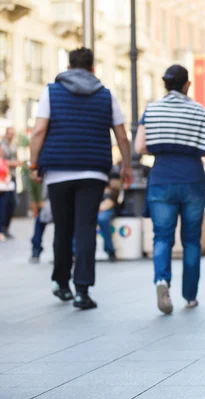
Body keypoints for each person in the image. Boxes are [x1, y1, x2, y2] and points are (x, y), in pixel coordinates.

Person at [28, 47, 133, 310]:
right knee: (85, 227)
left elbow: (39, 130)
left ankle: (61, 284)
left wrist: (33, 164)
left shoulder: (51, 92)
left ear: (68, 66)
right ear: (93, 69)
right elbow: (121, 135)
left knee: (62, 228)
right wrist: (127, 167)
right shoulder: (106, 95)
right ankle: (82, 291)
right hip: (93, 171)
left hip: (58, 171)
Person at [135, 64, 205, 314]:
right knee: (191, 240)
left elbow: (139, 146)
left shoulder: (152, 110)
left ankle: (162, 280)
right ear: (187, 85)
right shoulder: (198, 111)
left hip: (161, 177)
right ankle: (190, 295)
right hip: (192, 180)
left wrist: (160, 146)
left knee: (162, 236)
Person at [1, 127, 23, 238]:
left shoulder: (14, 145)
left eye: (12, 134)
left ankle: (5, 227)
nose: (11, 135)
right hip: (3, 177)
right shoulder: (2, 144)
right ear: (6, 134)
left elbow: (16, 158)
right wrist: (11, 163)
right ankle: (2, 229)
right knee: (3, 204)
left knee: (13, 203)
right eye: (9, 134)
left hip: (12, 177)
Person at [0, 145, 14, 242]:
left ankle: (3, 229)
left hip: (4, 188)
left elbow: (8, 173)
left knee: (4, 210)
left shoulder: (4, 162)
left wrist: (7, 180)